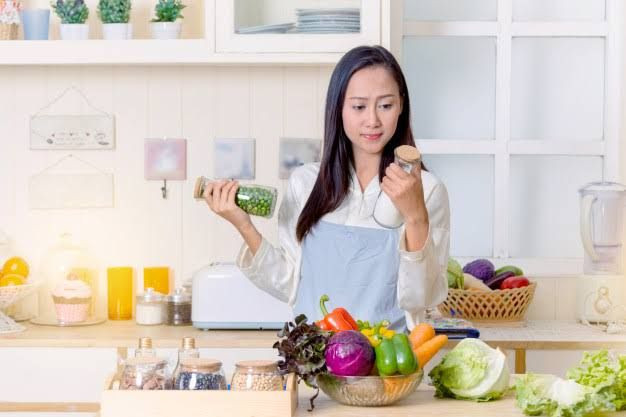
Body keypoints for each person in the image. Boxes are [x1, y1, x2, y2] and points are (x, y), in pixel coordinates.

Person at [203, 45, 450, 331]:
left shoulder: (428, 190)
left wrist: (415, 217)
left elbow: (425, 297)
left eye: (385, 105)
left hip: (387, 367)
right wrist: (243, 225)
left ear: (401, 105)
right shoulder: (306, 184)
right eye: (358, 106)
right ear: (338, 108)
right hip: (316, 364)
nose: (372, 120)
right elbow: (290, 283)